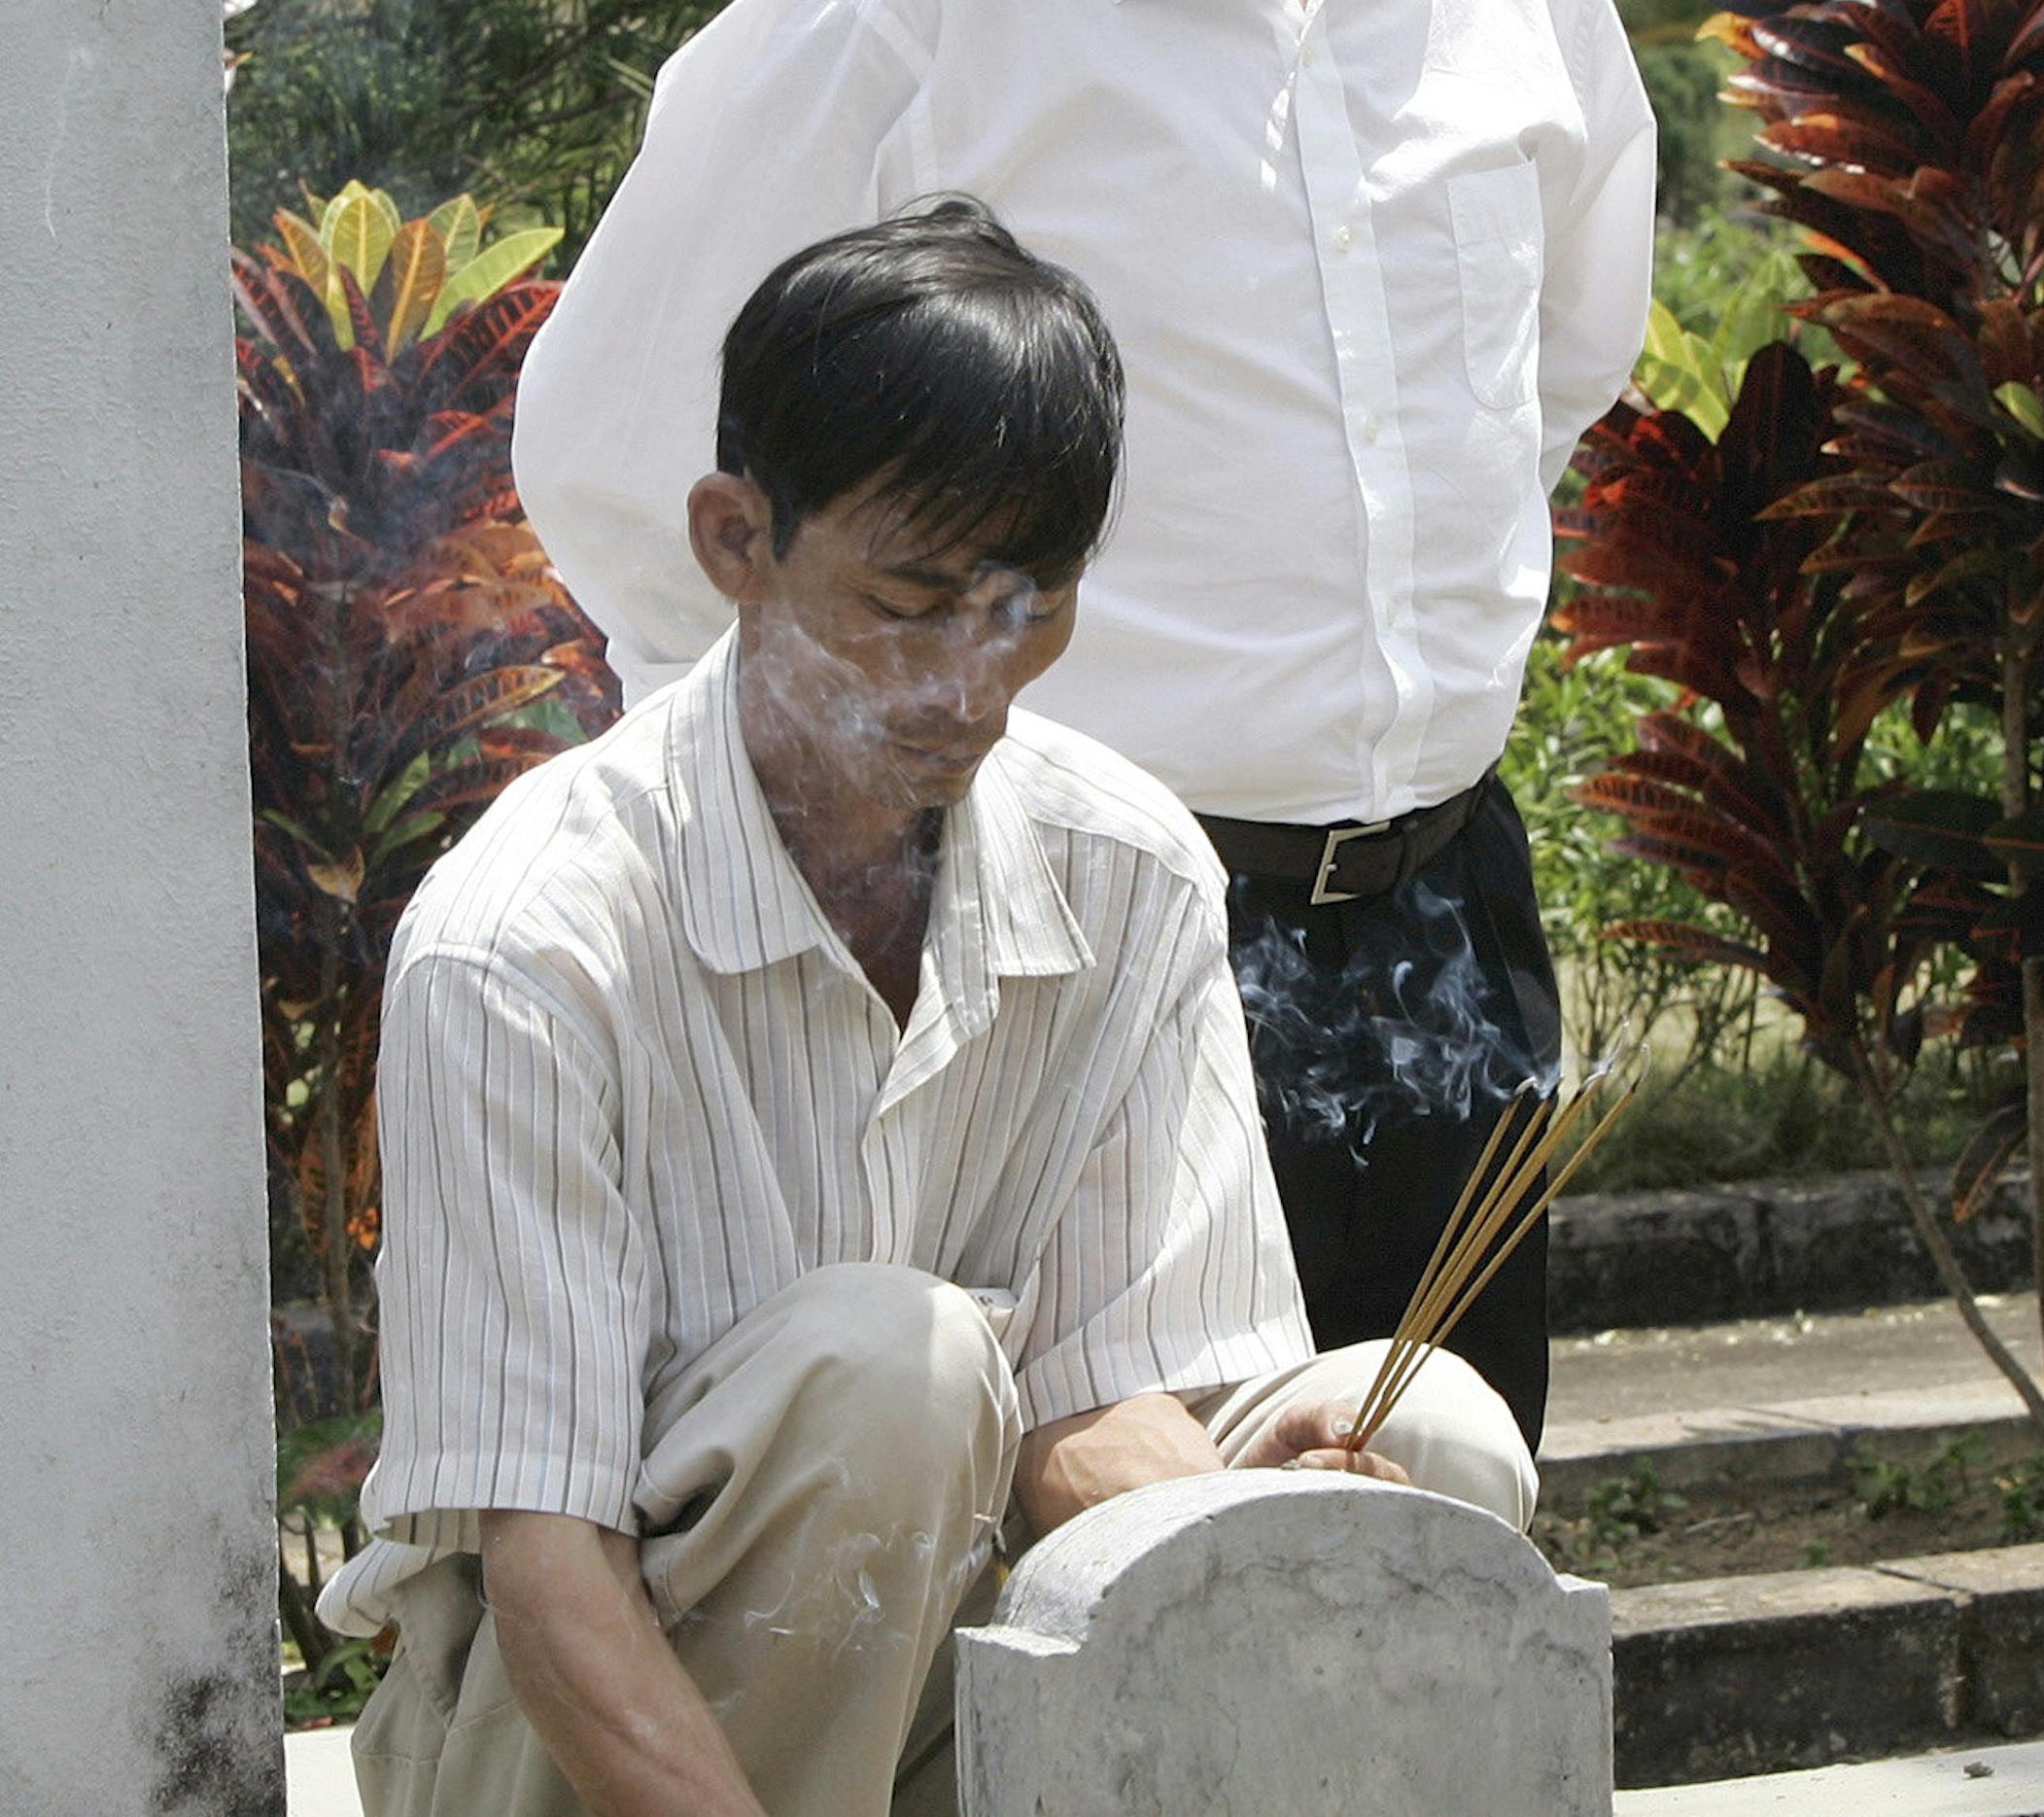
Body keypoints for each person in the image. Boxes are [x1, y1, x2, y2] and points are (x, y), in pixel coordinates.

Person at [512, 0, 1656, 1456]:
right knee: (1114, 1663)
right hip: (1053, 954)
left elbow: (1556, 355)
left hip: (1441, 931)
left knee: (1445, 1579)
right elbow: (610, 460)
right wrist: (861, 834)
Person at [322, 201, 1534, 1817]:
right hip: (585, 1736)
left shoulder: (1130, 874)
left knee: (1426, 1450)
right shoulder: (527, 943)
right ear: (732, 540)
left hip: (945, 1682)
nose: (971, 683)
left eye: (1029, 605)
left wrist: (1258, 1537)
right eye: (905, 603)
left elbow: (1097, 1408)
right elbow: (548, 1579)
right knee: (900, 1364)